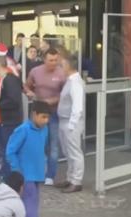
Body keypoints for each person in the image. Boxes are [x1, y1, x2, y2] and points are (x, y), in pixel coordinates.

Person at [6, 101, 51, 217]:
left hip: (37, 171)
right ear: (34, 114)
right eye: (43, 117)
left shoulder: (45, 129)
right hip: (25, 172)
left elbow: (42, 149)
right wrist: (16, 169)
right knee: (28, 199)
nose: (46, 121)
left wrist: (44, 164)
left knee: (34, 198)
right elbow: (10, 151)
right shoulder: (23, 130)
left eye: (47, 117)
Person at [25, 48, 66, 186]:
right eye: (50, 60)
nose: (53, 63)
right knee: (37, 142)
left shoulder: (61, 73)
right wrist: (29, 92)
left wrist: (53, 100)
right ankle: (37, 172)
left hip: (54, 113)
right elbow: (26, 85)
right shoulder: (35, 71)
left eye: (55, 60)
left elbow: (65, 94)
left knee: (53, 145)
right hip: (37, 112)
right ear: (44, 59)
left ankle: (50, 175)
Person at [57, 55, 85, 193]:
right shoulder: (70, 81)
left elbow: (77, 106)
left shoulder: (75, 83)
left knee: (74, 152)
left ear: (68, 66)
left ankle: (76, 180)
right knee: (67, 151)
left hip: (71, 122)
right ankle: (70, 177)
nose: (60, 68)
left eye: (62, 65)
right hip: (64, 120)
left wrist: (72, 124)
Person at [0, 56, 24, 180]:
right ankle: (7, 174)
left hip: (11, 120)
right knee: (7, 148)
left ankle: (10, 176)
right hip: (7, 119)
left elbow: (14, 101)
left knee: (10, 149)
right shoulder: (6, 79)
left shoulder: (9, 80)